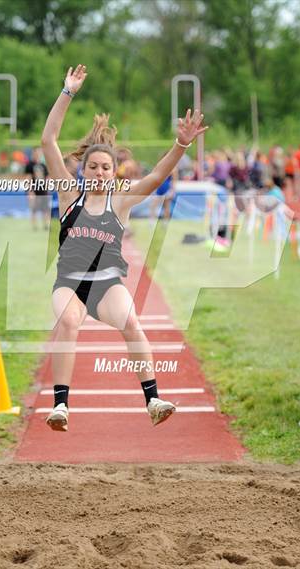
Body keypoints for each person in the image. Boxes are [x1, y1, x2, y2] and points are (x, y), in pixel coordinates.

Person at [41, 64, 208, 431]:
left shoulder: (121, 201)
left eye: (106, 167)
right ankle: (60, 406)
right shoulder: (70, 193)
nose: (100, 172)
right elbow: (48, 140)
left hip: (106, 285)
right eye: (94, 167)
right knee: (69, 320)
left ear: (114, 171)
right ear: (83, 169)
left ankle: (153, 400)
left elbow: (157, 175)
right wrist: (67, 92)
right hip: (69, 283)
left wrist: (181, 144)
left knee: (132, 322)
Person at [24, 147, 50, 230]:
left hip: (43, 190)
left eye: (39, 153)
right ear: (33, 153)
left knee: (45, 208)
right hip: (34, 190)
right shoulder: (29, 165)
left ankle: (46, 225)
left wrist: (47, 189)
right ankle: (34, 226)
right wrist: (30, 191)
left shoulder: (43, 165)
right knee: (34, 209)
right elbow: (28, 178)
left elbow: (47, 178)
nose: (38, 154)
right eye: (36, 153)